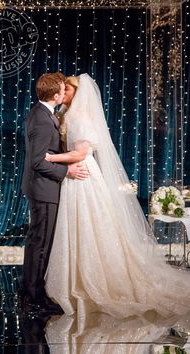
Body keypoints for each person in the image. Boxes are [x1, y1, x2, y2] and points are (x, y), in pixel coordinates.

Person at [45, 73, 190, 320]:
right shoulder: (68, 115)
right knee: (82, 224)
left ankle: (91, 282)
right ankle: (76, 278)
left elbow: (80, 153)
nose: (64, 94)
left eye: (67, 90)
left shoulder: (78, 116)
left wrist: (51, 158)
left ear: (76, 93)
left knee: (89, 222)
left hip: (82, 174)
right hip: (77, 174)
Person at [21, 72, 89, 314]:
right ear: (55, 94)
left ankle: (30, 292)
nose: (64, 92)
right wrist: (66, 172)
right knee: (40, 244)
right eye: (62, 89)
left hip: (43, 188)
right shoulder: (41, 118)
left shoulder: (43, 114)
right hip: (43, 188)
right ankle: (34, 296)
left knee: (38, 242)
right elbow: (38, 162)